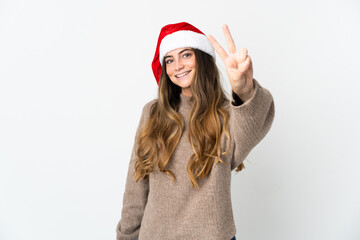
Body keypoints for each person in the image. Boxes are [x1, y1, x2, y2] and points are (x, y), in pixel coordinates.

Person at [116, 22, 275, 240]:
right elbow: (136, 186)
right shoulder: (152, 113)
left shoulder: (227, 115)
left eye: (186, 55)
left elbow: (256, 121)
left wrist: (245, 90)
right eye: (169, 60)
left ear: (201, 58)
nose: (178, 66)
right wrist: (126, 236)